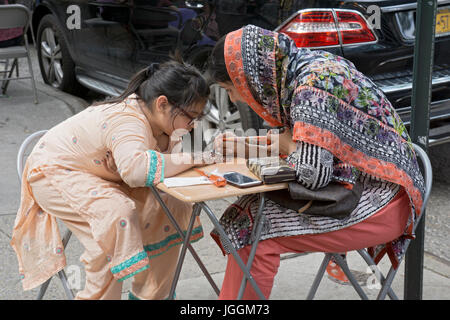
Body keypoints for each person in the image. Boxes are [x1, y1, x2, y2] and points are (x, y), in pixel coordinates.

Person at [207, 25, 425, 300]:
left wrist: (275, 145)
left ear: (248, 78)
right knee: (247, 212)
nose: (235, 98)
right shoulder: (301, 71)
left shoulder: (312, 84)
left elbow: (310, 174)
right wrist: (245, 146)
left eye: (231, 88)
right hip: (363, 187)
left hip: (384, 202)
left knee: (252, 228)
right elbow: (303, 143)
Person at [11, 58, 215, 300]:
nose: (193, 126)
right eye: (191, 117)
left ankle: (151, 296)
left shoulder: (161, 123)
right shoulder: (128, 120)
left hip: (98, 176)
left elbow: (146, 168)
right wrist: (192, 159)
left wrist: (142, 166)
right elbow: (137, 170)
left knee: (173, 204)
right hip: (54, 172)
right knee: (115, 219)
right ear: (162, 104)